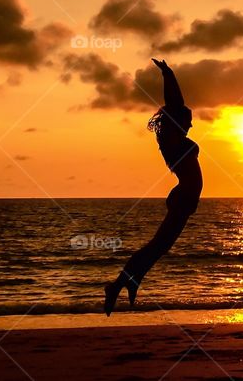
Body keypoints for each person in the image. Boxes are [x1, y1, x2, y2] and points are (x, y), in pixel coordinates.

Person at [104, 59, 202, 314]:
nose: (191, 125)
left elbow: (177, 107)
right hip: (182, 197)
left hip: (185, 198)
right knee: (156, 245)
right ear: (176, 121)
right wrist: (168, 74)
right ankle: (115, 286)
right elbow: (175, 104)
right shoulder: (171, 140)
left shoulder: (174, 138)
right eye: (188, 121)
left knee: (161, 247)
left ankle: (134, 280)